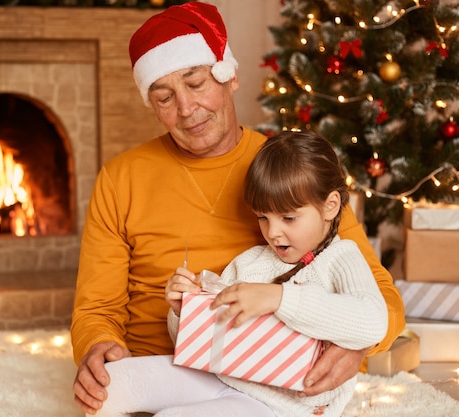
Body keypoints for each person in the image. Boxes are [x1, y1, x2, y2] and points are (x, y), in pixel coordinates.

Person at [71, 2, 405, 415]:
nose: (186, 109)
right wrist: (97, 347)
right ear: (151, 104)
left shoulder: (290, 171)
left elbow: (380, 299)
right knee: (103, 397)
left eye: (196, 84)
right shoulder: (120, 178)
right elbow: (95, 309)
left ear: (229, 77)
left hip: (266, 377)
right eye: (164, 97)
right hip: (160, 361)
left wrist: (354, 345)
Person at [88, 129, 389, 417]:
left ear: (330, 206)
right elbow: (202, 344)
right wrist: (186, 311)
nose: (273, 232)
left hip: (280, 408)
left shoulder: (342, 258)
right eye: (262, 217)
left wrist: (279, 298)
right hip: (221, 377)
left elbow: (373, 321)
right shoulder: (253, 262)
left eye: (288, 217)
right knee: (109, 386)